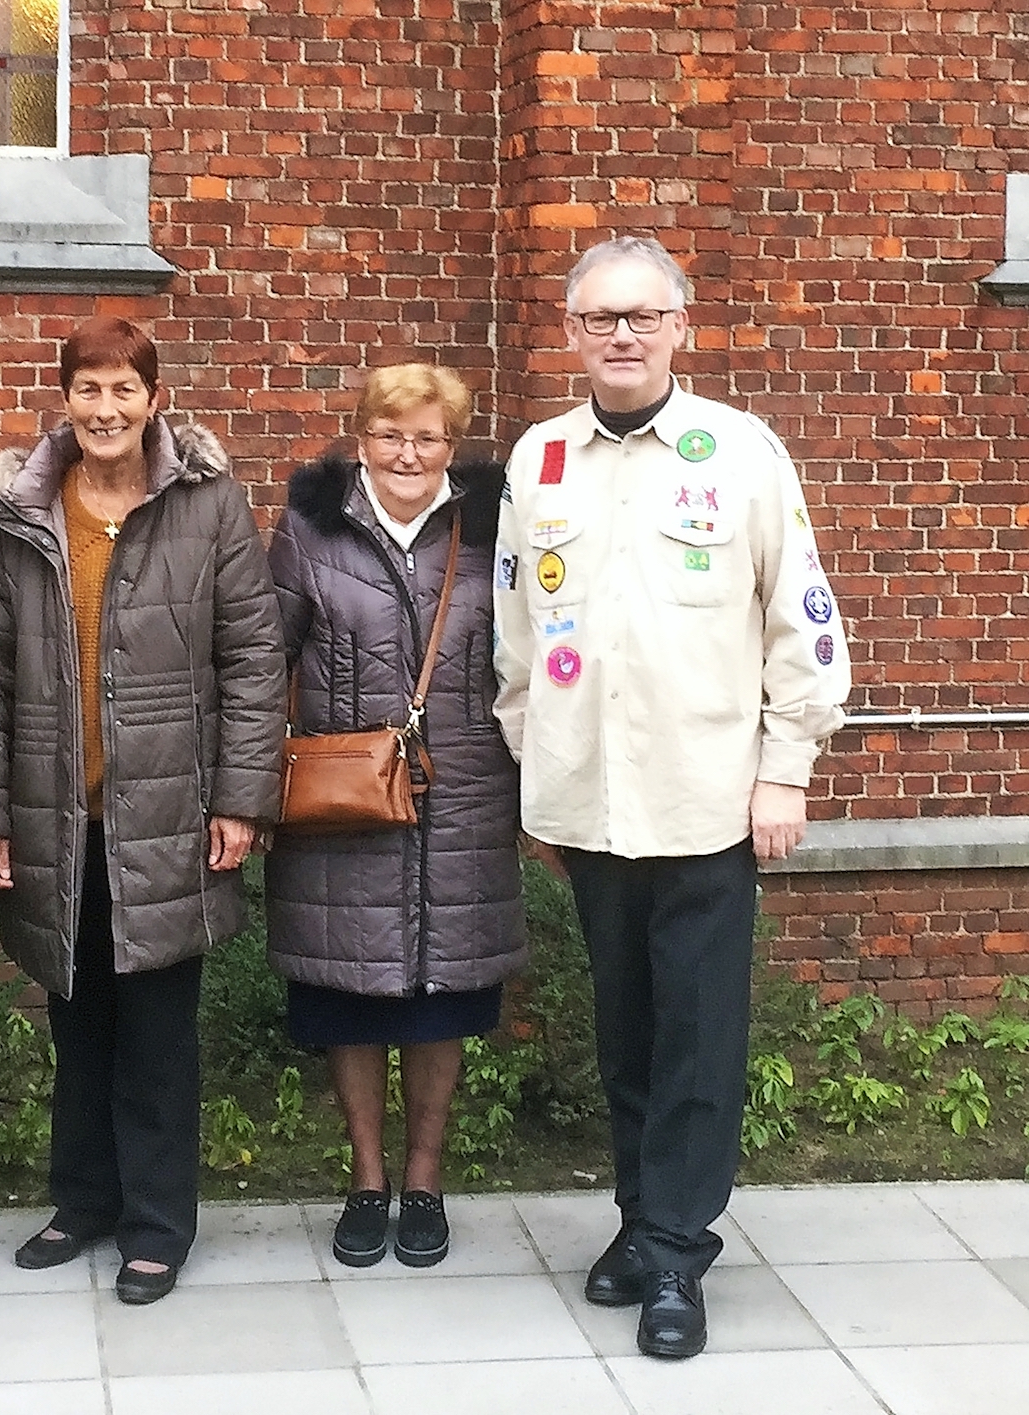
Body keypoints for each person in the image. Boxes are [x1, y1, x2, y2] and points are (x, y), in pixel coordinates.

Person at [493, 235, 852, 1358]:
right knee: (628, 1029)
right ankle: (642, 1218)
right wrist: (532, 752)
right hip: (591, 806)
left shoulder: (740, 453)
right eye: (600, 318)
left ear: (681, 328)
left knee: (697, 1035)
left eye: (642, 316)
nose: (621, 336)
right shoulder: (538, 459)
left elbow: (802, 618)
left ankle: (677, 1252)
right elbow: (516, 635)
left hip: (706, 798)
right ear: (573, 332)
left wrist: (785, 766)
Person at [0, 316, 286, 1305]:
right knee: (78, 1016)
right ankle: (85, 1199)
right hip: (56, 815)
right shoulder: (20, 513)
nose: (105, 409)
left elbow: (252, 657)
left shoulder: (208, 505)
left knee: (156, 1031)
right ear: (62, 397)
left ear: (156, 398)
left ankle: (157, 1220)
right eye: (87, 389)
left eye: (124, 390)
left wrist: (242, 796)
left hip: (173, 810)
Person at [265, 363, 524, 1270]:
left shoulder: (497, 530)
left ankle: (425, 1180)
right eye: (389, 434)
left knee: (440, 997)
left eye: (427, 437)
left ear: (452, 446)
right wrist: (250, 789)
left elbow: (531, 658)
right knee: (351, 996)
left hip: (465, 798)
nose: (407, 454)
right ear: (361, 437)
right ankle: (365, 1178)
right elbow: (264, 659)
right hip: (341, 800)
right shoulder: (308, 532)